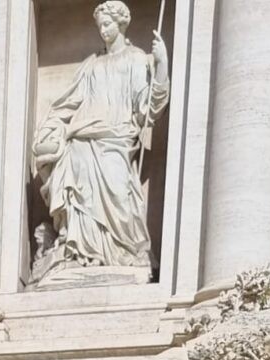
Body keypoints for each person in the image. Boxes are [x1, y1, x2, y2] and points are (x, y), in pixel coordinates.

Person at [32, 0, 170, 270]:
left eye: (107, 24)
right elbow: (67, 105)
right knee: (79, 193)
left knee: (120, 194)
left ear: (121, 24)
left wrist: (161, 62)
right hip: (82, 139)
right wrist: (51, 130)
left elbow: (150, 109)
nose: (103, 30)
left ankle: (124, 252)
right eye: (100, 26)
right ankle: (80, 253)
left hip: (116, 140)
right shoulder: (90, 65)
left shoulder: (137, 59)